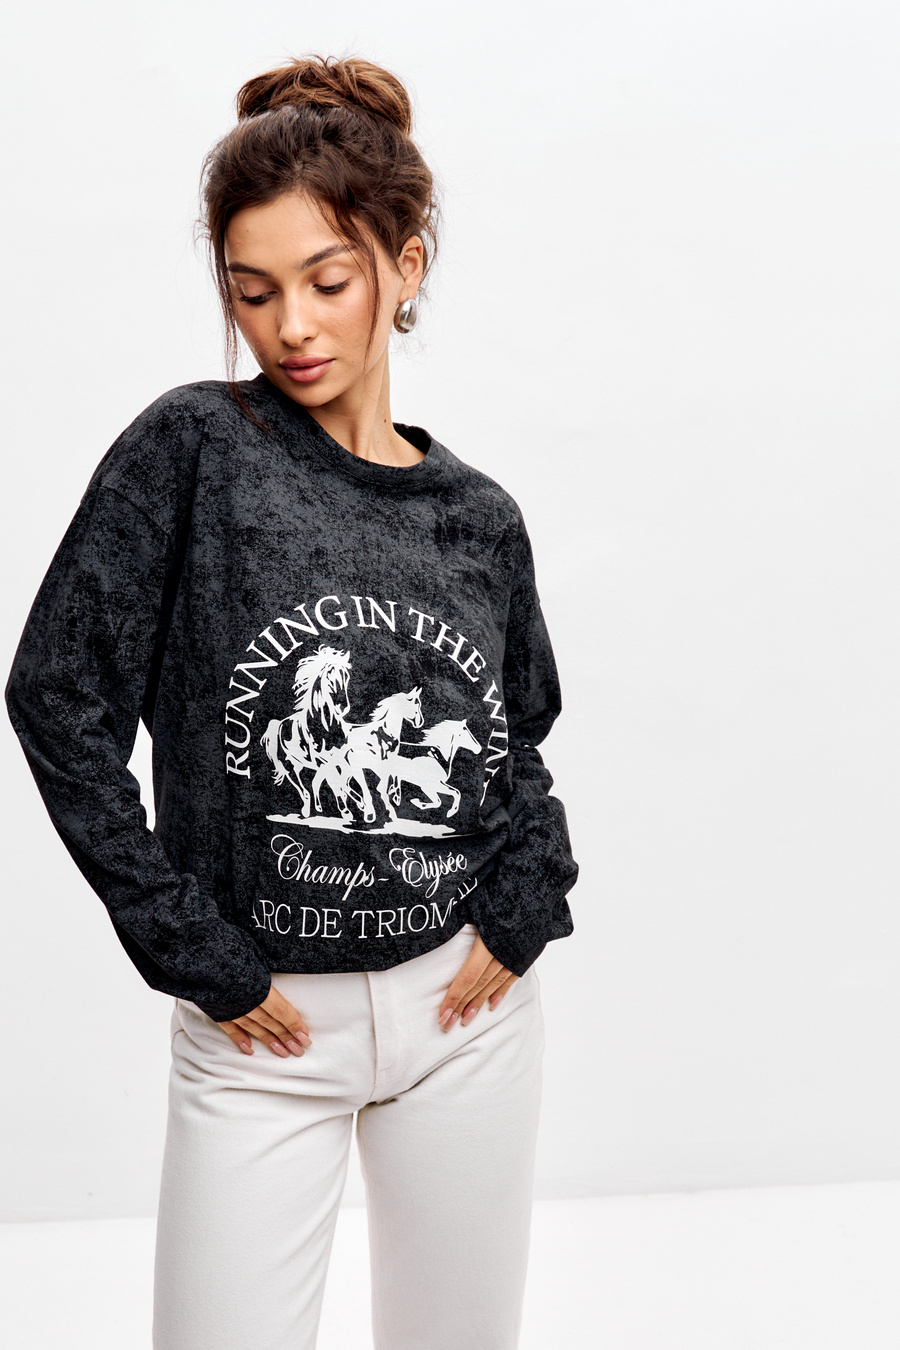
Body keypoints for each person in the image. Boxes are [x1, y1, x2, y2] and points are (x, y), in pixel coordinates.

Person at [5, 53, 578, 1350]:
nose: (292, 328)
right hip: (262, 1037)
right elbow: (58, 694)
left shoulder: (479, 517)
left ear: (405, 268)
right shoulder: (194, 451)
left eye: (328, 281)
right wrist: (191, 947)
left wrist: (525, 898)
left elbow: (521, 737)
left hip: (465, 1021)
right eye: (253, 292)